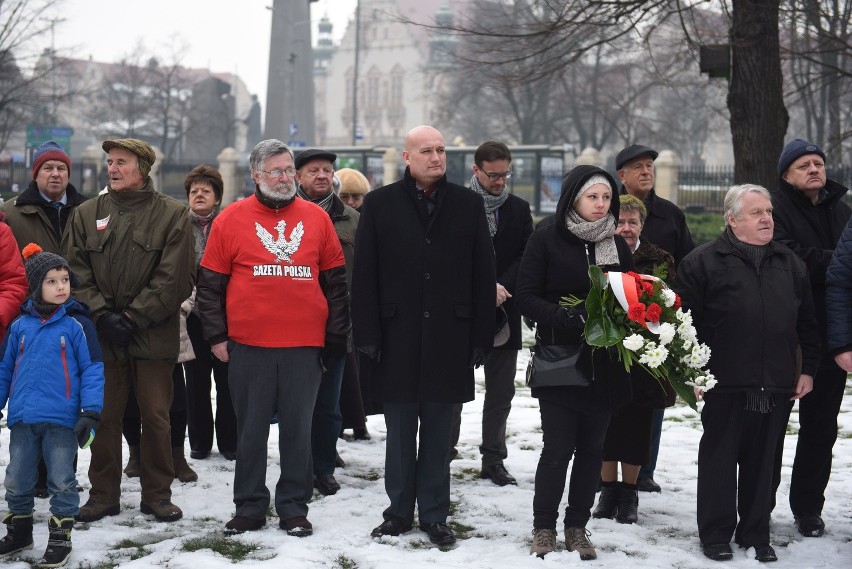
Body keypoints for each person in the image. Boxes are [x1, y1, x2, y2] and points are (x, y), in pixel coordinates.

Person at [196, 139, 350, 537]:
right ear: (256, 176)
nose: (284, 178)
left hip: (304, 346)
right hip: (248, 346)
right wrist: (216, 337)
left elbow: (336, 284)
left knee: (299, 431)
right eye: (276, 171)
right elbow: (210, 287)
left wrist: (335, 336)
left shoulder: (316, 220)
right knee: (250, 432)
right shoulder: (230, 219)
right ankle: (249, 505)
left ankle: (294, 507)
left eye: (288, 170)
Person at [352, 125, 495, 546]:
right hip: (395, 335)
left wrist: (480, 335)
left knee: (437, 432)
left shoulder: (468, 204)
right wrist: (368, 335)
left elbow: (482, 272)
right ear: (406, 157)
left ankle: (434, 514)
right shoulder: (379, 204)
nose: (436, 157)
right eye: (426, 151)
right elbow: (365, 276)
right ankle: (397, 512)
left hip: (451, 335)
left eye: (441, 150)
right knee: (398, 433)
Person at [678, 184, 818, 562]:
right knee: (719, 460)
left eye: (769, 212)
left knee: (765, 462)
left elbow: (807, 324)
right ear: (732, 219)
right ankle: (716, 534)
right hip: (723, 381)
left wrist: (809, 371)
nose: (766, 218)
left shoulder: (791, 263)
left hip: (775, 381)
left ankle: (756, 531)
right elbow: (683, 325)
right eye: (756, 213)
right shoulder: (701, 262)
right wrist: (692, 373)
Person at [65, 138, 195, 523]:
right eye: (110, 162)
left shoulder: (173, 215)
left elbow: (176, 279)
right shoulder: (87, 214)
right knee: (104, 415)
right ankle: (103, 495)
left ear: (142, 168)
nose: (112, 168)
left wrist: (135, 318)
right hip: (103, 334)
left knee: (156, 415)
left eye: (121, 162)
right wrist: (103, 316)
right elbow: (75, 271)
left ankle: (157, 494)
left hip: (153, 333)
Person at [515, 166, 634, 560]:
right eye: (593, 197)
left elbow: (629, 294)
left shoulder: (617, 244)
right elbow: (526, 296)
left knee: (592, 449)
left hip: (605, 364)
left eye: (606, 198)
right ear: (573, 199)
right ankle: (544, 526)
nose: (601, 205)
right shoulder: (546, 237)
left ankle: (577, 526)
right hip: (561, 360)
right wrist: (566, 317)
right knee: (558, 448)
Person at [0, 244, 104, 567]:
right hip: (23, 418)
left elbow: (92, 369)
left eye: (65, 280)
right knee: (17, 476)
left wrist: (91, 411)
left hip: (62, 420)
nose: (61, 286)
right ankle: (20, 531)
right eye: (52, 281)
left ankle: (60, 536)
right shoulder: (20, 326)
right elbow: (5, 368)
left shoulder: (77, 325)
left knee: (61, 478)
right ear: (36, 288)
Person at [769, 139, 851, 539]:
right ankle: (758, 504)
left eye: (818, 163)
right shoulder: (775, 210)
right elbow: (788, 258)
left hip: (831, 335)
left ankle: (808, 509)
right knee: (771, 426)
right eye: (803, 165)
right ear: (786, 174)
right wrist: (836, 260)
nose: (815, 170)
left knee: (821, 429)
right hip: (785, 336)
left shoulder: (841, 209)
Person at [449, 141, 532, 486]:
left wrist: (501, 286)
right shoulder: (456, 204)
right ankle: (443, 449)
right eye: (493, 175)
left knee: (500, 392)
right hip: (462, 311)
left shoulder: (517, 208)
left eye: (505, 174)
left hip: (504, 307)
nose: (500, 181)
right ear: (476, 170)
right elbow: (449, 256)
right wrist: (483, 286)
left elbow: (526, 254)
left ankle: (493, 458)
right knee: (452, 388)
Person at [616, 144, 695, 494]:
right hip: (614, 322)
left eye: (650, 165)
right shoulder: (605, 207)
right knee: (612, 401)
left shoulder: (670, 215)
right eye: (638, 167)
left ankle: (644, 470)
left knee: (652, 402)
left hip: (655, 323)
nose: (647, 171)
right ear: (622, 175)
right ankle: (604, 472)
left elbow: (687, 261)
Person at [593, 194, 676, 525]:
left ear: (642, 225)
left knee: (637, 426)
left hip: (644, 358)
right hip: (606, 353)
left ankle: (629, 493)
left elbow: (669, 301)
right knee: (606, 424)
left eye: (633, 222)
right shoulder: (599, 253)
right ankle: (607, 489)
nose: (626, 228)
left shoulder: (659, 259)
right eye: (620, 222)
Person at [294, 148, 359, 496]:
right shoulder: (285, 216)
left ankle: (323, 467)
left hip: (337, 326)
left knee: (329, 406)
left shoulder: (351, 219)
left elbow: (362, 273)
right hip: (295, 327)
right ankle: (299, 467)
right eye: (313, 170)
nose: (321, 175)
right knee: (296, 405)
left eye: (327, 170)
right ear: (298, 177)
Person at [181, 165, 236, 462]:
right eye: (194, 192)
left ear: (217, 197)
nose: (199, 195)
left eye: (206, 191)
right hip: (192, 314)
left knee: (228, 381)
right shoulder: (178, 225)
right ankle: (200, 442)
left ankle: (230, 441)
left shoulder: (229, 223)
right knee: (197, 382)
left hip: (226, 314)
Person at [333, 168, 372, 439]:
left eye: (357, 196)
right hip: (338, 303)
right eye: (345, 196)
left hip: (359, 302)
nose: (351, 201)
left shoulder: (364, 220)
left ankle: (360, 420)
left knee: (359, 370)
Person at [2, 140, 87, 253]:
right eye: (48, 168)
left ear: (68, 175)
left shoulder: (88, 210)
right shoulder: (9, 213)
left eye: (61, 168)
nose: (56, 174)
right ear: (36, 175)